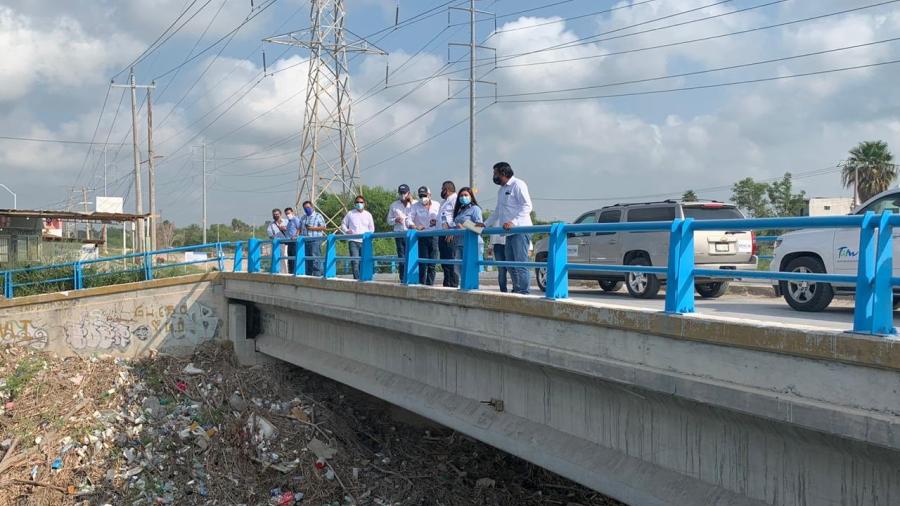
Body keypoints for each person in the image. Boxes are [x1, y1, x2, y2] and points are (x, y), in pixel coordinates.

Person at [491, 161, 533, 294]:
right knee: (510, 264)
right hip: (508, 233)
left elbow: (527, 206)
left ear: (503, 173)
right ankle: (517, 289)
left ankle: (524, 292)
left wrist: (513, 222)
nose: (494, 176)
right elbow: (497, 212)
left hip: (520, 230)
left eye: (495, 173)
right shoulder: (501, 190)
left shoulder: (518, 184)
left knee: (521, 264)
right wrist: (483, 224)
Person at [409, 186, 441, 285]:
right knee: (422, 263)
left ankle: (430, 284)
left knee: (432, 263)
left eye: (425, 195)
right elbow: (408, 219)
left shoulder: (437, 205)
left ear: (430, 195)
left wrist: (436, 221)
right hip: (422, 237)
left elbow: (442, 218)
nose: (423, 197)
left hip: (434, 236)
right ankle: (421, 284)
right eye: (421, 195)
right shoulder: (415, 206)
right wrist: (415, 226)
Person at [340, 195, 374, 279]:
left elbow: (372, 228)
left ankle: (365, 278)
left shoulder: (368, 215)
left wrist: (368, 235)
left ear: (364, 203)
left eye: (361, 202)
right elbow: (343, 224)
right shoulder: (350, 213)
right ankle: (356, 279)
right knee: (355, 261)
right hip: (353, 241)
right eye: (357, 202)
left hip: (365, 241)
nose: (359, 204)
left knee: (365, 261)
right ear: (354, 203)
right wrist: (347, 231)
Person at [387, 184, 414, 282]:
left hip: (412, 234)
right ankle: (403, 279)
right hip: (399, 234)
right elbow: (389, 221)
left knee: (412, 257)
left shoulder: (414, 204)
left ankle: (413, 278)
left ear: (409, 193)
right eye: (401, 193)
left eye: (404, 193)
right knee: (401, 257)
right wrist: (395, 220)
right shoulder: (394, 205)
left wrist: (411, 202)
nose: (402, 195)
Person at [451, 187, 484, 265]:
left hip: (472, 243)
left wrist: (464, 227)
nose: (463, 197)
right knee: (458, 270)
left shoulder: (475, 209)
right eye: (461, 196)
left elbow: (480, 228)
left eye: (465, 195)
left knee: (470, 268)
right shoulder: (460, 211)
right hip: (459, 243)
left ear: (471, 197)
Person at [438, 180, 459, 287]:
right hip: (442, 234)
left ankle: (453, 284)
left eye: (442, 189)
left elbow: (459, 217)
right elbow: (443, 217)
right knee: (444, 260)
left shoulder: (456, 199)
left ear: (447, 190)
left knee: (451, 260)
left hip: (451, 234)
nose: (441, 191)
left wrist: (451, 228)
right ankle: (447, 283)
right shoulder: (444, 202)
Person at [300, 201, 327, 276]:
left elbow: (323, 227)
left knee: (315, 258)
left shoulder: (318, 216)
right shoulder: (303, 217)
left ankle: (317, 274)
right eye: (305, 208)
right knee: (307, 258)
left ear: (312, 207)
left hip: (315, 239)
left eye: (308, 207)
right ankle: (308, 274)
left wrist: (312, 228)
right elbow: (300, 228)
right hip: (305, 240)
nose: (306, 209)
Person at [485, 214, 509, 293]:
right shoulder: (497, 213)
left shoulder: (511, 212)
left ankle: (513, 290)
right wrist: (490, 246)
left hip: (507, 242)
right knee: (503, 269)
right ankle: (505, 290)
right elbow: (492, 230)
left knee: (510, 268)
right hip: (499, 243)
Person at [284, 207, 301, 274]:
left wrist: (296, 236)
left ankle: (294, 271)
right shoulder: (289, 222)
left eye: (288, 213)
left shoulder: (295, 219)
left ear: (292, 212)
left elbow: (299, 228)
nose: (288, 215)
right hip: (289, 242)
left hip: (294, 242)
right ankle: (290, 271)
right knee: (290, 257)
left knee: (294, 257)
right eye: (286, 214)